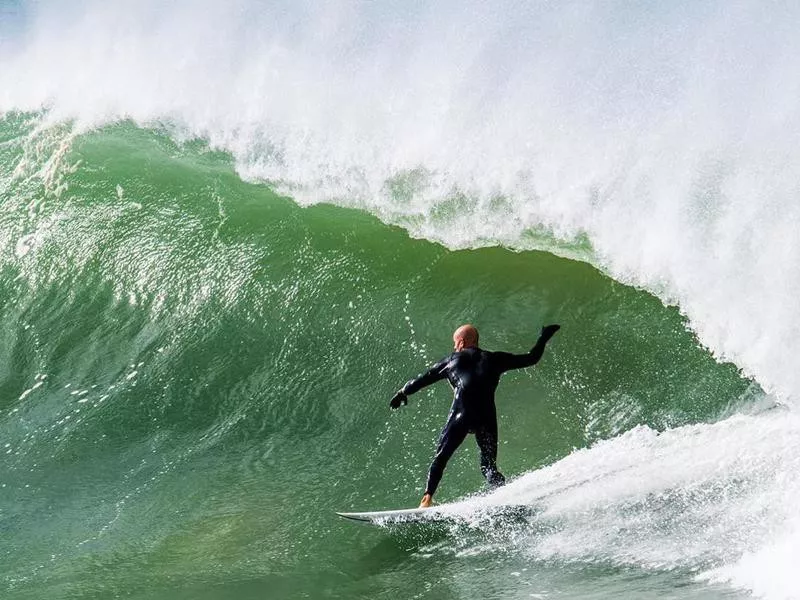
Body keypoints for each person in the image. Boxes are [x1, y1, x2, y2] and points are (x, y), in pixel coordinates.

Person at [389, 323, 560, 508]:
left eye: (455, 343)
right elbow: (531, 358)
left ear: (461, 342)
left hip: (462, 414)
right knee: (488, 467)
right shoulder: (495, 359)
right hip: (486, 416)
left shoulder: (452, 360)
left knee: (441, 458)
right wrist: (543, 337)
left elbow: (423, 378)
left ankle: (427, 500)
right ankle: (506, 497)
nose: (455, 347)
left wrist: (403, 392)